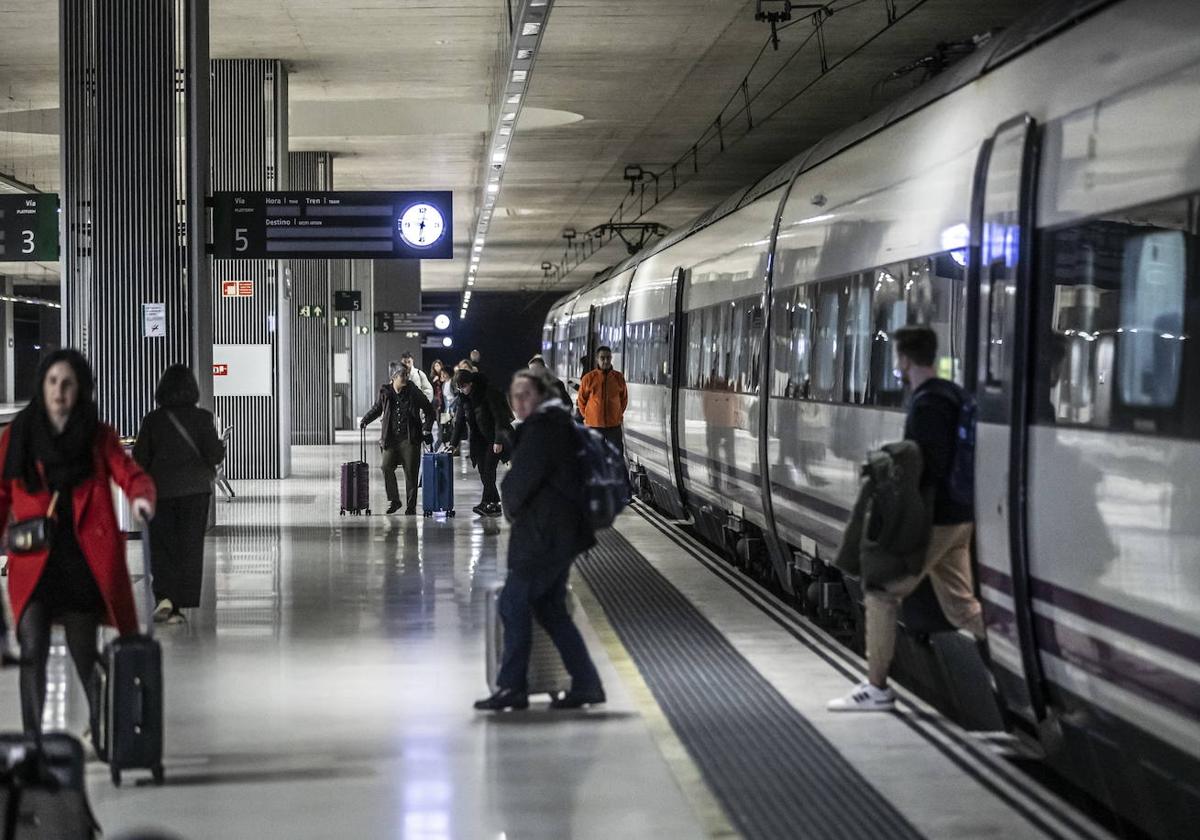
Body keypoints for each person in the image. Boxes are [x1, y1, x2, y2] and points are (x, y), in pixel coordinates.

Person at [828, 325, 985, 712]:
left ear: (904, 359)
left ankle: (876, 687)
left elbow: (926, 467)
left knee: (881, 592)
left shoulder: (928, 402)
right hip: (962, 517)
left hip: (938, 518)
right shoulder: (954, 394)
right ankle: (1015, 658)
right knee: (961, 606)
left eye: (898, 359)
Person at [0, 350, 156, 735]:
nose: (59, 391)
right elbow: (1, 494)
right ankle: (35, 738)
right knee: (32, 647)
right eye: (52, 381)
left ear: (80, 389)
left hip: (82, 561)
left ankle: (100, 723)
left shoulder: (96, 435)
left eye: (67, 383)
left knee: (83, 650)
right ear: (41, 385)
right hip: (35, 561)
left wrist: (140, 496)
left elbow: (128, 471)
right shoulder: (18, 436)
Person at [474, 370, 605, 711]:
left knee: (513, 604)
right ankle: (587, 684)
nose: (519, 402)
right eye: (514, 397)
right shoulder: (555, 425)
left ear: (540, 397)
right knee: (550, 610)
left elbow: (518, 485)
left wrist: (511, 507)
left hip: (544, 537)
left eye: (525, 395)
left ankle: (512, 688)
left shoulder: (543, 430)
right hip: (558, 536)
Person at [134, 364, 225, 624]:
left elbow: (140, 459)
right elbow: (215, 454)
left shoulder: (153, 420)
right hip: (195, 492)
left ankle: (165, 598)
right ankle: (181, 601)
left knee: (163, 547)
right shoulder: (203, 418)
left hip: (161, 492)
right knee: (189, 547)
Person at [361, 366, 435, 515]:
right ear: (394, 378)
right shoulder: (386, 392)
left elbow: (429, 409)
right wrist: (365, 420)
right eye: (402, 377)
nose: (406, 380)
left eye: (407, 377)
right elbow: (378, 408)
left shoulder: (413, 391)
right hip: (391, 438)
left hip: (410, 438)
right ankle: (395, 500)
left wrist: (426, 428)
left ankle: (411, 506)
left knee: (411, 473)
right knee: (386, 467)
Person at [447, 369, 513, 517]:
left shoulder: (488, 392)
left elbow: (500, 418)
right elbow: (459, 422)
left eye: (463, 387)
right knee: (483, 471)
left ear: (471, 383)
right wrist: (453, 443)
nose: (462, 391)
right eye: (459, 388)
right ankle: (494, 503)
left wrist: (498, 441)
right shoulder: (464, 398)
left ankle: (487, 502)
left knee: (489, 470)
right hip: (479, 440)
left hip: (494, 437)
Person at [576, 346, 628, 457]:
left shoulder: (618, 378)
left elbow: (623, 399)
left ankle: (614, 474)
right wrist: (588, 415)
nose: (606, 361)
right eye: (602, 358)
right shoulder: (588, 378)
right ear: (597, 359)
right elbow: (581, 400)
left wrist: (617, 414)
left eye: (608, 358)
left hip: (613, 426)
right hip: (593, 425)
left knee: (616, 456)